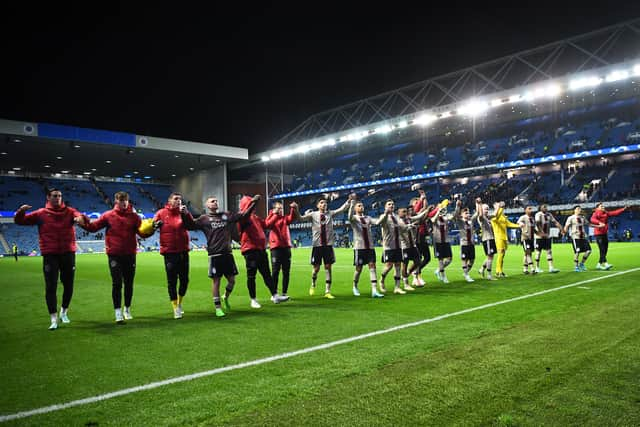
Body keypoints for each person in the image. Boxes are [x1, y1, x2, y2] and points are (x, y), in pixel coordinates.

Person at [14, 188, 86, 330]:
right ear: (48, 197)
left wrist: (80, 219)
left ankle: (64, 312)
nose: (57, 198)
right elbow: (20, 221)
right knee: (51, 286)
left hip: (68, 253)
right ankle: (53, 318)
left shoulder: (70, 211)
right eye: (54, 196)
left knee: (69, 285)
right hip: (50, 254)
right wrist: (21, 211)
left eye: (59, 196)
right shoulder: (41, 213)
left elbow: (80, 216)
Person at [184, 195, 256, 317]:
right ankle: (218, 307)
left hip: (227, 254)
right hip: (214, 255)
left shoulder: (225, 215)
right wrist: (185, 213)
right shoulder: (204, 219)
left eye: (216, 201)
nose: (215, 202)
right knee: (216, 282)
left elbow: (243, 215)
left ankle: (225, 297)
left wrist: (253, 203)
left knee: (232, 281)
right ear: (207, 205)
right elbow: (190, 225)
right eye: (212, 201)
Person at [82, 191, 147, 323]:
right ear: (116, 201)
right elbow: (94, 227)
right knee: (117, 283)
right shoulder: (108, 215)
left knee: (129, 283)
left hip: (130, 254)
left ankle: (127, 309)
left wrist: (151, 229)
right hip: (114, 255)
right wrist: (83, 223)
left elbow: (142, 234)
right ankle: (117, 312)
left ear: (128, 201)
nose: (123, 203)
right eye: (120, 200)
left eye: (125, 201)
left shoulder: (135, 217)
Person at [238, 195, 289, 308]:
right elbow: (247, 214)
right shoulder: (242, 217)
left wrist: (275, 214)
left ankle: (275, 295)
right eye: (250, 204)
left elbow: (266, 225)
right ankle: (253, 299)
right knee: (252, 276)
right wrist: (254, 202)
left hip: (260, 250)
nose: (254, 206)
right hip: (250, 250)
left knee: (267, 274)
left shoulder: (254, 217)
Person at [296, 196, 351, 299]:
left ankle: (327, 291)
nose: (324, 204)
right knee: (316, 268)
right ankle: (313, 284)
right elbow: (300, 218)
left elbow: (342, 209)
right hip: (317, 245)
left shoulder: (330, 214)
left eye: (325, 203)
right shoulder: (313, 215)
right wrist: (296, 210)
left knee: (328, 267)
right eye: (321, 202)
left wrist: (348, 201)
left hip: (328, 245)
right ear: (317, 205)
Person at [154, 192, 195, 319]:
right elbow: (153, 226)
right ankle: (175, 307)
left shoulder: (183, 213)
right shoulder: (161, 213)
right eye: (176, 199)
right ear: (169, 200)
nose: (178, 201)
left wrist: (186, 214)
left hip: (183, 251)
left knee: (185, 280)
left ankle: (180, 303)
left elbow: (191, 226)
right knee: (172, 281)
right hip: (169, 252)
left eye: (180, 199)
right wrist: (155, 225)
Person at [348, 198, 385, 298]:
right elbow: (349, 217)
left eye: (362, 205)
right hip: (359, 248)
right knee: (359, 269)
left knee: (372, 266)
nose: (361, 207)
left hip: (370, 247)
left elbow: (377, 222)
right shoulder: (354, 218)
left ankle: (374, 290)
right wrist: (351, 205)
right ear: (355, 208)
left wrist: (385, 214)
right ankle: (354, 286)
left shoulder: (368, 218)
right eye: (359, 206)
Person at [264, 201, 297, 298]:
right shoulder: (271, 217)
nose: (280, 210)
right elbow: (267, 225)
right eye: (278, 208)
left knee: (286, 272)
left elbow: (291, 218)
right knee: (275, 271)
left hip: (286, 247)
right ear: (274, 209)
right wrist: (274, 214)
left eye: (281, 208)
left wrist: (292, 209)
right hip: (276, 248)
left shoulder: (285, 218)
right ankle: (274, 294)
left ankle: (284, 293)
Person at [398, 200, 432, 290]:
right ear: (399, 213)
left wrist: (427, 211)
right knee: (404, 264)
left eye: (406, 211)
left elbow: (418, 216)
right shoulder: (398, 221)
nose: (405, 213)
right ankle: (406, 284)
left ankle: (409, 272)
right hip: (404, 246)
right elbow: (405, 228)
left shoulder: (409, 219)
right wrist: (412, 225)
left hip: (413, 245)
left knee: (417, 262)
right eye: (403, 212)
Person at [564, 205, 604, 272]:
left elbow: (589, 224)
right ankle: (576, 267)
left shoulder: (582, 217)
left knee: (588, 251)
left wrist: (598, 226)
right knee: (577, 252)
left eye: (580, 209)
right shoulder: (570, 218)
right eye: (578, 209)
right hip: (576, 237)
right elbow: (566, 226)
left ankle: (581, 264)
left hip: (583, 237)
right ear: (574, 210)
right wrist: (564, 231)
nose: (580, 210)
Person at [590, 203, 628, 270]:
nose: (603, 207)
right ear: (597, 208)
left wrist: (623, 209)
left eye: (603, 206)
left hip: (604, 233)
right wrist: (599, 222)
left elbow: (614, 213)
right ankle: (606, 264)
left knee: (605, 249)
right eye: (601, 206)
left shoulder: (606, 213)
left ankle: (599, 264)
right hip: (598, 234)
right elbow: (592, 219)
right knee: (602, 249)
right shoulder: (595, 213)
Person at [491, 201, 521, 278]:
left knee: (502, 255)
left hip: (504, 237)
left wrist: (519, 226)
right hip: (498, 237)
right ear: (495, 207)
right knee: (500, 253)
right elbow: (497, 215)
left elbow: (509, 224)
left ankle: (500, 270)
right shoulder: (493, 216)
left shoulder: (503, 216)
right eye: (497, 205)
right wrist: (500, 207)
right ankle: (498, 271)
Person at [453, 200, 478, 282]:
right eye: (466, 213)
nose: (468, 214)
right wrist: (457, 206)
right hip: (464, 243)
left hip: (471, 244)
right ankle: (467, 275)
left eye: (468, 213)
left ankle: (466, 273)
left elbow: (477, 213)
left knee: (472, 260)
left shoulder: (471, 222)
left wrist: (478, 204)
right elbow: (456, 215)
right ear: (462, 214)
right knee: (464, 260)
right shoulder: (460, 222)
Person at [412, 190, 433, 287]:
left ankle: (416, 274)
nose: (418, 204)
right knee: (418, 258)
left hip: (423, 236)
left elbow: (425, 208)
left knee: (427, 258)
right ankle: (416, 276)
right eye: (415, 203)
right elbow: (424, 209)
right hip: (417, 236)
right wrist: (422, 197)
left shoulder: (420, 212)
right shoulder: (413, 213)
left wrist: (424, 198)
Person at [534, 204, 562, 273]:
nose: (546, 208)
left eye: (546, 207)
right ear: (540, 208)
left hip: (547, 236)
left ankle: (551, 267)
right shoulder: (538, 214)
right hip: (539, 237)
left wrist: (561, 228)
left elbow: (555, 222)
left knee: (549, 251)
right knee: (538, 252)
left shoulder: (549, 214)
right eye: (544, 207)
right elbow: (537, 223)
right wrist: (541, 233)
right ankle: (537, 267)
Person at [431, 199, 454, 283]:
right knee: (440, 259)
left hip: (446, 241)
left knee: (449, 259)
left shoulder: (445, 218)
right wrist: (438, 211)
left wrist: (456, 207)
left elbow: (453, 216)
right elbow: (433, 220)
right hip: (438, 241)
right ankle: (443, 276)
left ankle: (438, 270)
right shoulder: (435, 218)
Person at [476, 198, 497, 281]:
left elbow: (495, 214)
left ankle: (481, 269)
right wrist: (480, 204)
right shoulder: (481, 218)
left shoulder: (487, 218)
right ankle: (489, 275)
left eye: (488, 209)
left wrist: (497, 207)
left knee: (490, 256)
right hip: (487, 239)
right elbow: (480, 214)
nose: (487, 210)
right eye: (486, 209)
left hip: (491, 239)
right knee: (490, 257)